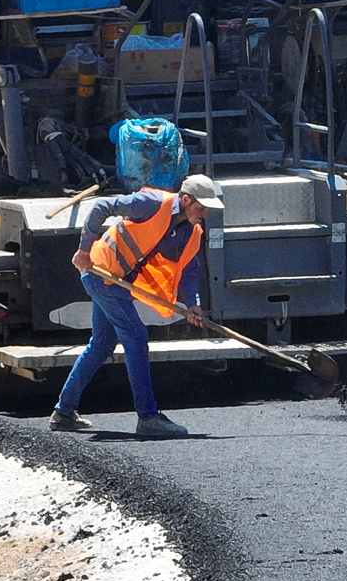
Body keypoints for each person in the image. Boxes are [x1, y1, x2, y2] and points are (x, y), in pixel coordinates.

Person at [49, 174, 226, 435]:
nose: (205, 213)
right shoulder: (152, 202)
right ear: (186, 199)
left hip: (117, 281)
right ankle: (148, 417)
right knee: (136, 337)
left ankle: (63, 412)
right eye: (201, 207)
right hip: (102, 273)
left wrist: (192, 304)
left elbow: (188, 271)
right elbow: (101, 207)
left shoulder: (191, 232)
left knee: (101, 344)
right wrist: (84, 250)